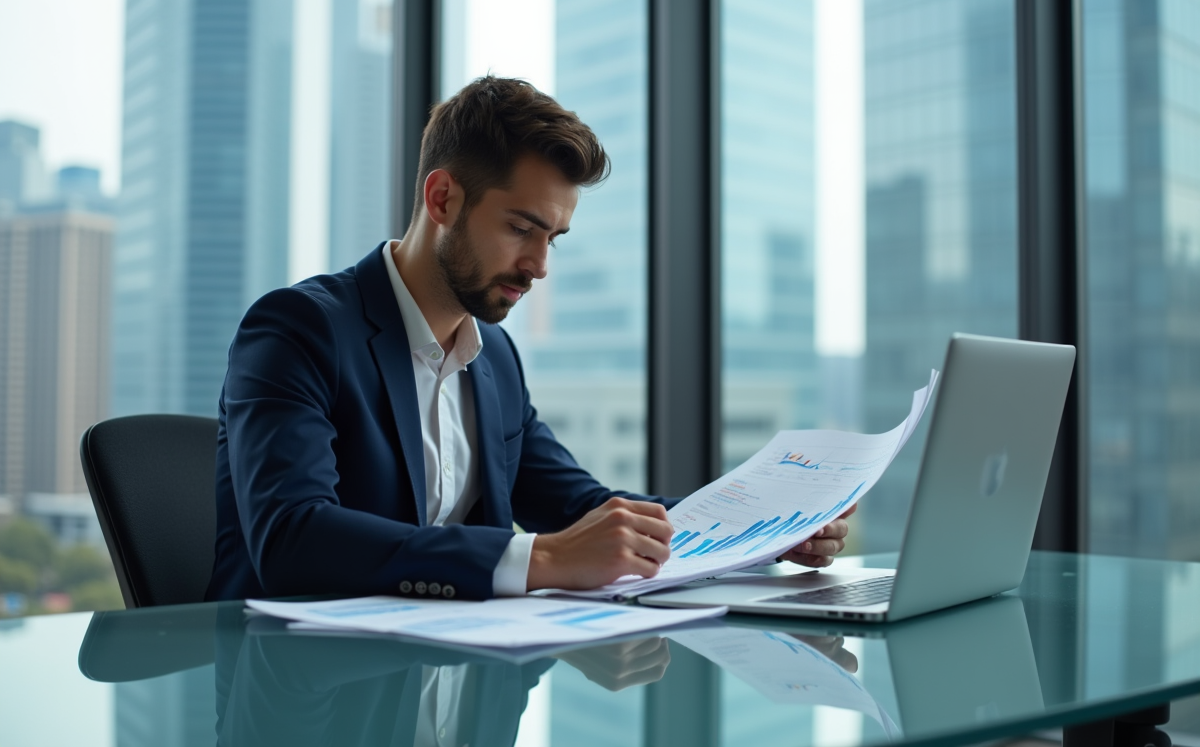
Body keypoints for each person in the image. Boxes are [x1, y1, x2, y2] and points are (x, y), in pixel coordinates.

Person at [205, 76, 852, 603]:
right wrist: (538, 558)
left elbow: (585, 509)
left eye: (553, 239)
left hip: (451, 687)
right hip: (298, 698)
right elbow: (292, 540)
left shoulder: (496, 362)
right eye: (521, 228)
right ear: (443, 199)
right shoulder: (298, 330)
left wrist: (760, 531)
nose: (540, 265)